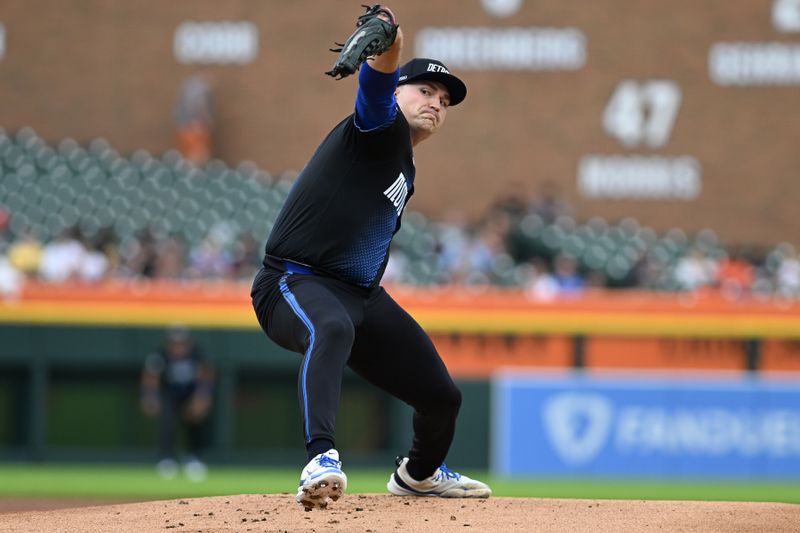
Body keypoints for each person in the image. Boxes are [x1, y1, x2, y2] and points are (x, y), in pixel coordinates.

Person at [250, 4, 490, 511]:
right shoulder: (378, 128)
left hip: (361, 296)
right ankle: (321, 457)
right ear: (399, 92)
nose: (436, 103)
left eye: (444, 99)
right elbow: (379, 76)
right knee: (330, 328)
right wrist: (389, 32)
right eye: (425, 90)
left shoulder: (403, 158)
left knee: (442, 397)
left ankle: (418, 475)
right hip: (294, 282)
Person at [140, 324, 215, 481]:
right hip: (169, 393)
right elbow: (151, 376)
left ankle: (194, 458)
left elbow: (206, 374)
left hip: (190, 393)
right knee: (168, 423)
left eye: (181, 343)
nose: (178, 347)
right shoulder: (160, 355)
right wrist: (150, 396)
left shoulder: (196, 354)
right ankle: (167, 460)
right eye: (175, 343)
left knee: (195, 421)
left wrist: (202, 397)